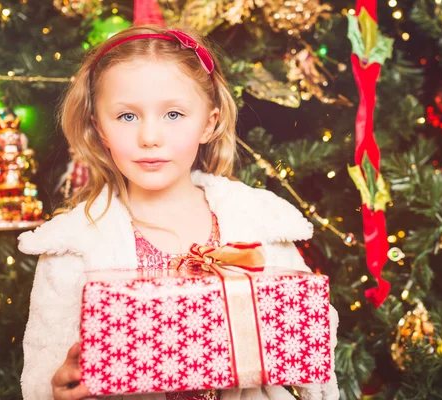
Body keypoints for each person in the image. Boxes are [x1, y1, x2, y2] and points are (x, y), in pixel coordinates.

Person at [18, 24, 339, 400]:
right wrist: (58, 390)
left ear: (209, 122)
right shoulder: (73, 246)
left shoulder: (258, 222)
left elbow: (313, 340)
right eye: (126, 117)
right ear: (98, 129)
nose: (150, 137)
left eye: (173, 114)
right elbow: (44, 371)